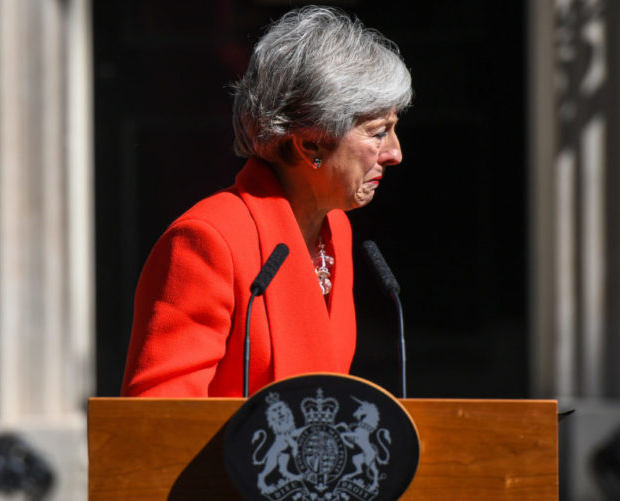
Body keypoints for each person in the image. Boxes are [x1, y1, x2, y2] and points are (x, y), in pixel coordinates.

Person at [121, 5, 412, 397]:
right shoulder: (206, 243)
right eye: (378, 132)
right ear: (310, 144)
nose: (395, 153)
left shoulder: (335, 228)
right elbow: (159, 416)